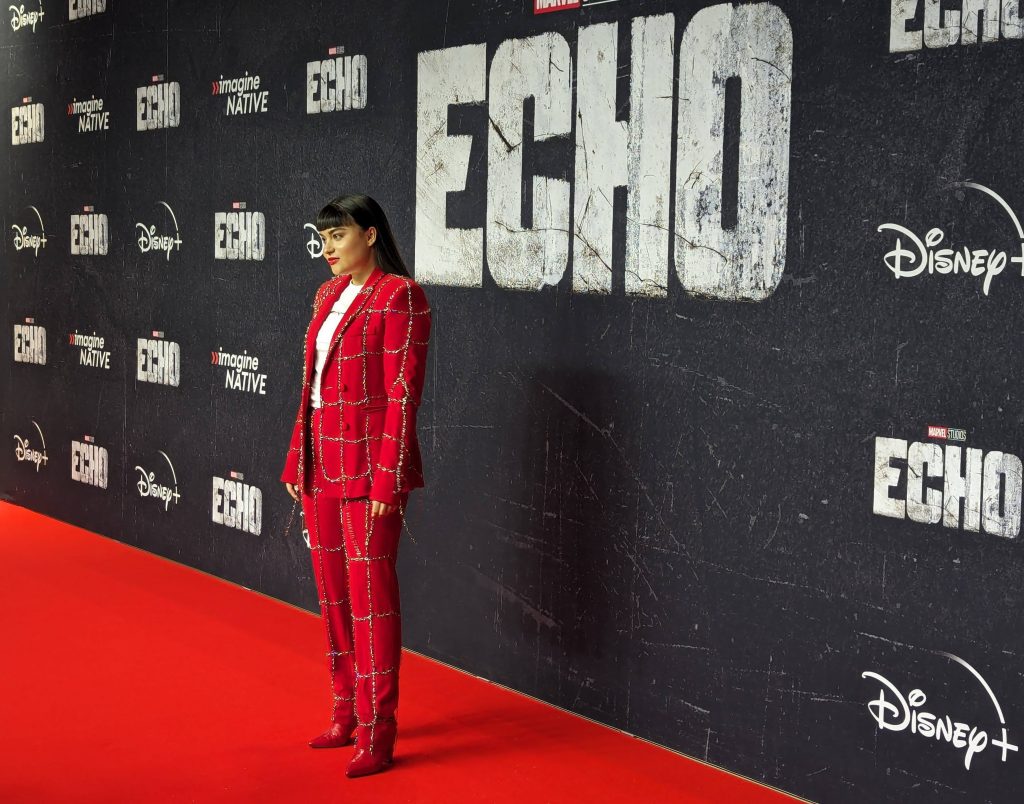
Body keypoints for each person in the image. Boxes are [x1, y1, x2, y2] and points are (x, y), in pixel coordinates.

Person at [281, 194, 431, 778]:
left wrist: (388, 482)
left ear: (370, 235)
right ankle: (345, 709)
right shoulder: (325, 296)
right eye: (322, 241)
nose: (327, 251)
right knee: (334, 596)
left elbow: (402, 395)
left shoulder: (401, 296)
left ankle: (378, 727)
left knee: (372, 602)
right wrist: (299, 461)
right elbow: (311, 388)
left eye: (336, 238)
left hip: (370, 470)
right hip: (322, 465)